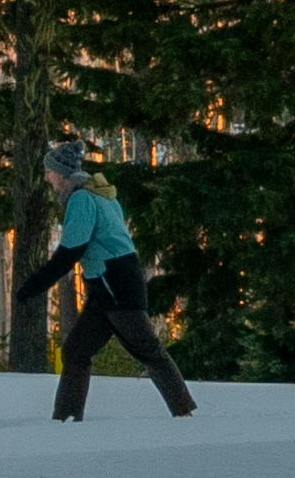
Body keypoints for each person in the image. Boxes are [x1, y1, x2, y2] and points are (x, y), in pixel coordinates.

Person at [14, 140, 195, 422]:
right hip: (108, 286)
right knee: (76, 351)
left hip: (116, 285)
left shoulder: (82, 199)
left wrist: (31, 288)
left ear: (61, 173)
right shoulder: (100, 195)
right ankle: (66, 419)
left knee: (148, 349)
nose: (46, 177)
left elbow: (70, 252)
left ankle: (184, 412)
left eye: (48, 171)